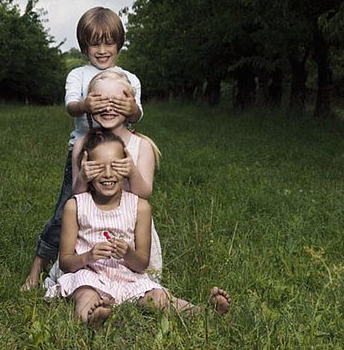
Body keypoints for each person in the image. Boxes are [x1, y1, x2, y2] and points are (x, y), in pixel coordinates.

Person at [47, 130, 231, 324]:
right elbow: (66, 262)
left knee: (159, 298)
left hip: (128, 277)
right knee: (86, 294)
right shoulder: (75, 205)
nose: (108, 174)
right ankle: (92, 318)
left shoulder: (140, 207)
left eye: (116, 166)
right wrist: (89, 256)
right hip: (89, 275)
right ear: (86, 167)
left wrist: (127, 253)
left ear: (127, 166)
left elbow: (142, 263)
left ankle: (202, 312)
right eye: (98, 167)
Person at [22, 7, 143, 290]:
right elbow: (70, 106)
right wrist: (86, 105)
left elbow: (138, 115)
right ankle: (37, 267)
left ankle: (117, 270)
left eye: (108, 42)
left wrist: (131, 108)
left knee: (118, 210)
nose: (102, 50)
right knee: (68, 209)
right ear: (84, 45)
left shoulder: (129, 78)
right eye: (94, 43)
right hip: (83, 156)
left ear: (119, 43)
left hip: (116, 156)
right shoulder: (78, 75)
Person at [45, 69, 162, 285]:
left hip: (129, 233)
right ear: (89, 104)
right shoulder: (82, 144)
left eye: (116, 101)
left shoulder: (141, 145)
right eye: (100, 100)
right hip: (90, 232)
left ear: (130, 105)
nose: (108, 108)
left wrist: (131, 172)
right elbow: (78, 197)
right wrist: (83, 177)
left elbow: (145, 193)